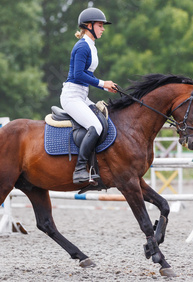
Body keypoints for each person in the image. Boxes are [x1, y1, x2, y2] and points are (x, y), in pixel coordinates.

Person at [61, 7, 117, 184]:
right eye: (100, 25)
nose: (103, 29)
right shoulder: (82, 46)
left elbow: (87, 75)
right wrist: (102, 83)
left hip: (82, 96)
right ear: (89, 26)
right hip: (71, 97)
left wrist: (106, 87)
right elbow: (78, 75)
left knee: (104, 119)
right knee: (95, 126)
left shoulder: (91, 47)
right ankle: (79, 170)